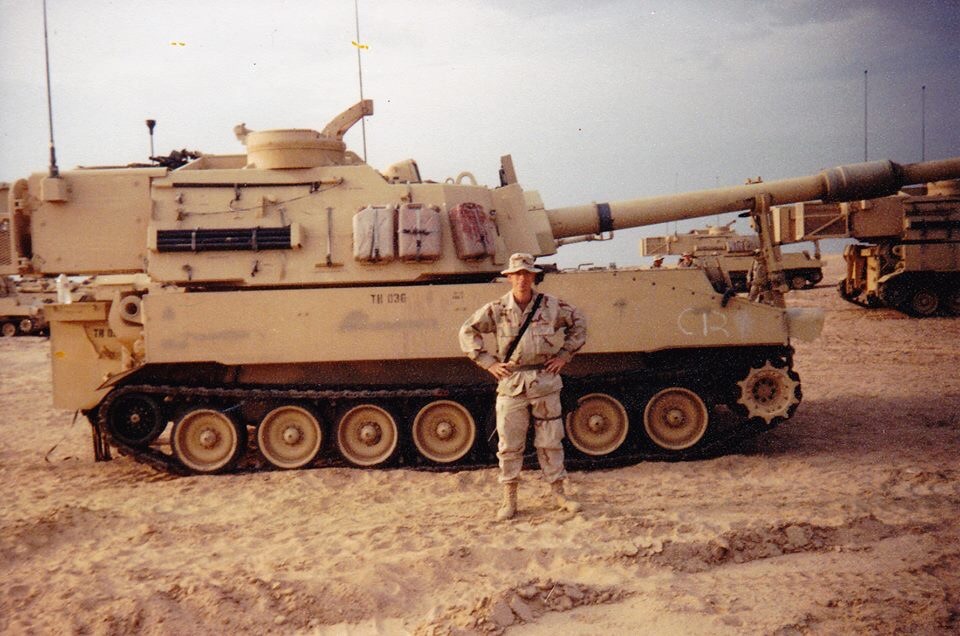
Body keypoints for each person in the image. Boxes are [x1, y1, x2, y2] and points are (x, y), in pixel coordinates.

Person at [459, 253, 587, 521]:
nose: (522, 279)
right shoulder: (497, 309)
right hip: (512, 383)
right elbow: (468, 331)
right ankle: (509, 498)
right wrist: (487, 362)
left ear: (534, 276)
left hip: (544, 381)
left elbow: (579, 323)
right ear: (508, 278)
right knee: (509, 444)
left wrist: (564, 355)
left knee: (551, 440)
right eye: (516, 274)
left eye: (527, 273)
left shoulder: (551, 306)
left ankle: (559, 493)